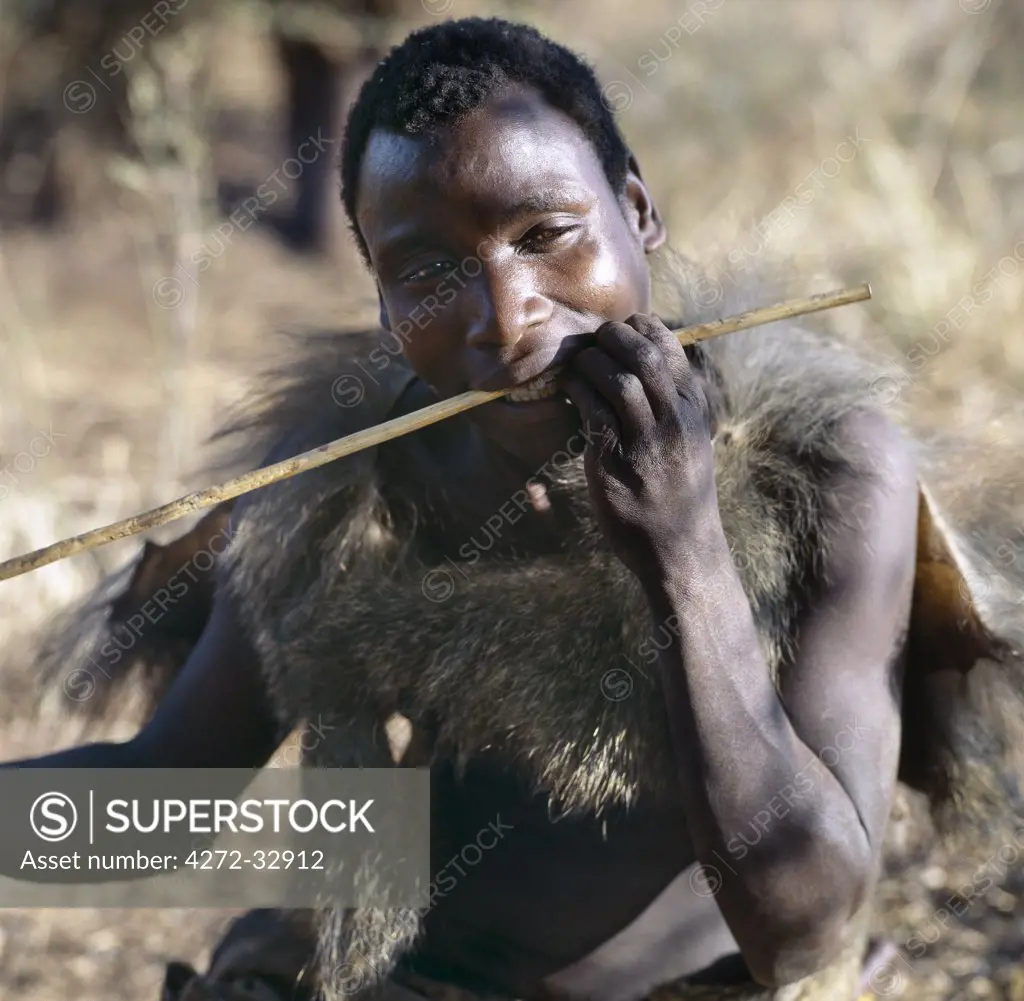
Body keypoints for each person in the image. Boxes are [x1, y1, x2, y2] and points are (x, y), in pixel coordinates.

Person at [6, 16, 1023, 1001]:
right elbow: (172, 798)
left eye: (548, 235)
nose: (505, 315)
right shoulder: (345, 484)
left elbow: (798, 918)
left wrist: (684, 551)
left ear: (637, 211)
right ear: (376, 284)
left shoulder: (823, 468)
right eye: (430, 271)